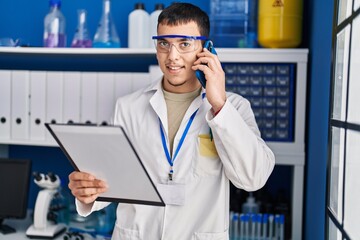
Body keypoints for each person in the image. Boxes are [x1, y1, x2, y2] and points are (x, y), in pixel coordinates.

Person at [68, 2, 275, 239]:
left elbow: (254, 178)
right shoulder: (128, 107)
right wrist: (88, 193)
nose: (172, 56)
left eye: (184, 44)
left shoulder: (234, 108)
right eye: (164, 44)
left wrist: (219, 106)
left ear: (206, 49)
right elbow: (114, 181)